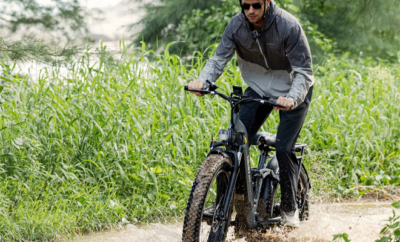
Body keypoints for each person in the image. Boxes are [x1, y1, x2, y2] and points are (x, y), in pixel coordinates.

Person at [187, 0, 314, 228]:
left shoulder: (288, 25)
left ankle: (289, 209)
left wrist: (292, 98)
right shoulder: (236, 26)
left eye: (256, 5)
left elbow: (304, 71)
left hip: (293, 89)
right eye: (246, 6)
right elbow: (218, 58)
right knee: (235, 140)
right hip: (258, 88)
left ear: (267, 2)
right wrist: (204, 81)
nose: (251, 11)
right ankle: (227, 205)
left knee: (284, 148)